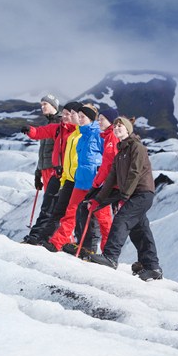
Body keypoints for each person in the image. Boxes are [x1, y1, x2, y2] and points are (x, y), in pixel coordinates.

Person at [87, 116, 163, 281]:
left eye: (120, 125)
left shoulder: (137, 148)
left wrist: (124, 196)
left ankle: (110, 257)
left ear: (128, 129)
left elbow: (134, 172)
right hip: (132, 194)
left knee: (121, 220)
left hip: (142, 193)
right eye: (115, 126)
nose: (116, 128)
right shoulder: (120, 152)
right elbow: (110, 180)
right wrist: (97, 199)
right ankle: (152, 267)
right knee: (140, 231)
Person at [42, 104, 104, 252]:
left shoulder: (99, 135)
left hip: (95, 183)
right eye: (79, 116)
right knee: (71, 213)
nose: (80, 119)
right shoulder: (79, 136)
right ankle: (57, 243)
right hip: (79, 181)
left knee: (100, 218)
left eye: (82, 117)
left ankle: (100, 252)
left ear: (91, 118)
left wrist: (102, 178)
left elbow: (107, 158)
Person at [20, 101, 81, 244]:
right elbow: (42, 132)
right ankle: (37, 237)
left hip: (71, 177)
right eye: (64, 113)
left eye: (69, 114)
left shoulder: (79, 133)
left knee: (64, 211)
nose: (65, 117)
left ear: (77, 115)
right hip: (58, 173)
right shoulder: (60, 128)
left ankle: (63, 241)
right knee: (48, 207)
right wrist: (30, 130)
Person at [73, 105, 119, 254]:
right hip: (86, 182)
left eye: (102, 119)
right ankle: (85, 248)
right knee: (82, 214)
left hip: (100, 184)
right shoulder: (85, 136)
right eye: (99, 119)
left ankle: (107, 253)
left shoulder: (103, 136)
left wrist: (103, 181)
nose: (100, 122)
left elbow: (109, 161)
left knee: (103, 219)